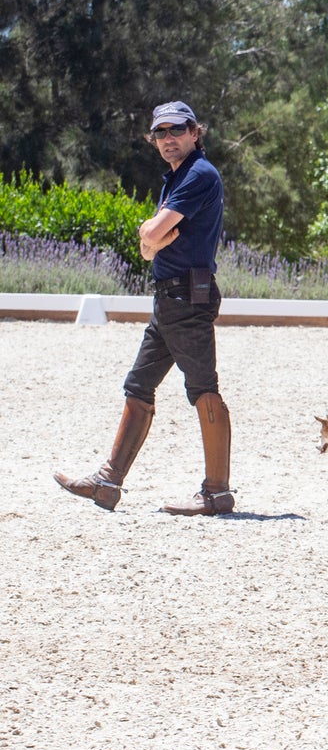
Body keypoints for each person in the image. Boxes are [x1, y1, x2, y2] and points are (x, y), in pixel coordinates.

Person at [54, 101, 235, 515]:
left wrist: (149, 234)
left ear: (195, 133)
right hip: (170, 299)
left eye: (176, 131)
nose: (168, 139)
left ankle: (217, 493)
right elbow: (148, 249)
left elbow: (151, 234)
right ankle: (107, 483)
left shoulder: (199, 174)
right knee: (138, 385)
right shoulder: (176, 177)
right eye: (160, 133)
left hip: (188, 297)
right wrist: (151, 240)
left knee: (203, 389)